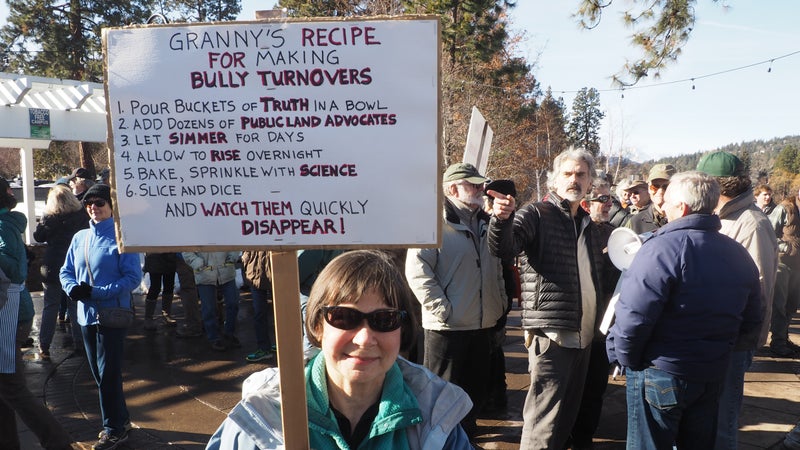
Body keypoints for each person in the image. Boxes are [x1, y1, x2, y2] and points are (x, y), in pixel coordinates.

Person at [206, 250, 473, 449]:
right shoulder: (260, 420)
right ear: (317, 326)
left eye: (385, 319)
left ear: (403, 329)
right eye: (345, 317)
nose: (365, 339)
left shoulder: (437, 417)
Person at [607, 171, 762, 449]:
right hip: (710, 375)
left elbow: (633, 317)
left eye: (666, 201)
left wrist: (626, 359)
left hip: (661, 373)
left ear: (683, 207)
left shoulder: (660, 249)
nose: (661, 207)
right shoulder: (738, 252)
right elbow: (752, 319)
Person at [487, 147, 611, 450]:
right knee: (544, 420)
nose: (574, 179)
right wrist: (501, 219)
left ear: (590, 181)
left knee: (567, 417)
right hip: (552, 334)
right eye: (567, 173)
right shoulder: (535, 214)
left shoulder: (588, 224)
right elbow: (505, 249)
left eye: (581, 174)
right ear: (554, 180)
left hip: (584, 335)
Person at [406, 162, 507, 437]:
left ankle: (467, 439)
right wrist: (443, 310)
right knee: (440, 397)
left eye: (479, 184)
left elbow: (495, 266)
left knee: (473, 394)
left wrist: (499, 304)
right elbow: (418, 272)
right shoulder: (432, 222)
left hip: (482, 324)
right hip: (447, 329)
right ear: (452, 188)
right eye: (472, 184)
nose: (480, 189)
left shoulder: (485, 222)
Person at [697, 151, 778, 450]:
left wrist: (749, 342)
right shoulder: (719, 218)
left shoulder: (751, 224)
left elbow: (759, 289)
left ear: (717, 186)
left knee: (721, 421)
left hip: (733, 343)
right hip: (709, 340)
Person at [60, 183, 142, 450]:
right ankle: (123, 420)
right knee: (99, 374)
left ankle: (113, 429)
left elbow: (132, 278)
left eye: (99, 203)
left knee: (107, 375)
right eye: (89, 204)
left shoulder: (122, 236)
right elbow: (66, 271)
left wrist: (96, 292)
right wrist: (73, 288)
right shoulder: (79, 237)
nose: (93, 208)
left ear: (111, 206)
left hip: (112, 315)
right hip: (86, 316)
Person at [0, 179, 76, 450]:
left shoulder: (4, 226)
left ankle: (58, 442)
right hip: (12, 309)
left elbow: (17, 271)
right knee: (5, 390)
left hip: (9, 313)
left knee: (12, 387)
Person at [568, 176, 622, 449]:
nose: (608, 203)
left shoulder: (616, 233)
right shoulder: (573, 231)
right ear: (586, 203)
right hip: (573, 325)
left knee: (594, 390)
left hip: (602, 327)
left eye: (610, 198)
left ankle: (582, 439)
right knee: (567, 390)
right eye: (602, 198)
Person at [34, 184, 88, 358]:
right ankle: (80, 342)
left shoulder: (49, 218)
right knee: (75, 305)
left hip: (52, 266)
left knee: (50, 306)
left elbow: (38, 237)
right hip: (74, 265)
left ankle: (44, 345)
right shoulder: (81, 216)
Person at [182, 251, 241, 351]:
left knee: (233, 303)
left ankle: (229, 333)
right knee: (209, 308)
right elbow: (186, 249)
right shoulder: (192, 234)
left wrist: (232, 256)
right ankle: (213, 337)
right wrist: (197, 262)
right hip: (204, 272)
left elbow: (233, 240)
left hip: (226, 269)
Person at [771, 187, 800, 357]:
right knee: (779, 305)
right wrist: (787, 247)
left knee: (792, 304)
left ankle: (784, 337)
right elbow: (768, 232)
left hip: (798, 265)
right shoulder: (784, 208)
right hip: (782, 263)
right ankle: (777, 342)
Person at [241, 250, 276, 362]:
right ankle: (264, 348)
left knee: (281, 311)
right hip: (255, 272)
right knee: (259, 313)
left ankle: (282, 343)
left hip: (275, 271)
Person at [625, 163, 676, 233]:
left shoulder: (684, 219)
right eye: (655, 187)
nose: (660, 191)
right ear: (649, 188)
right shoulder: (635, 223)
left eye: (666, 187)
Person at [142, 252, 178, 330]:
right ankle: (148, 318)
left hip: (170, 257)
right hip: (154, 257)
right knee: (155, 287)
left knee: (169, 286)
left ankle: (166, 315)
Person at [174, 253, 203, 338]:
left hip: (185, 256)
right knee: (207, 285)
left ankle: (193, 327)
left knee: (188, 290)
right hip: (204, 254)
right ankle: (211, 322)